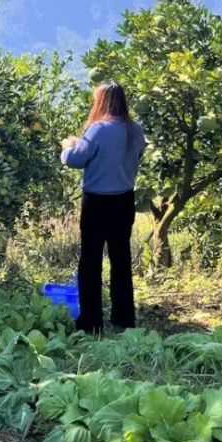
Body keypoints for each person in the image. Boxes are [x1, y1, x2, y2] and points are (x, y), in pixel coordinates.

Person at [60, 81, 146, 335]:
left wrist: (67, 147)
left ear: (102, 102)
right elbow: (135, 154)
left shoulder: (97, 130)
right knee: (121, 259)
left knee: (91, 261)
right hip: (124, 200)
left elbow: (75, 160)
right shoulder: (135, 130)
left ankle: (91, 321)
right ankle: (124, 318)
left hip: (97, 202)